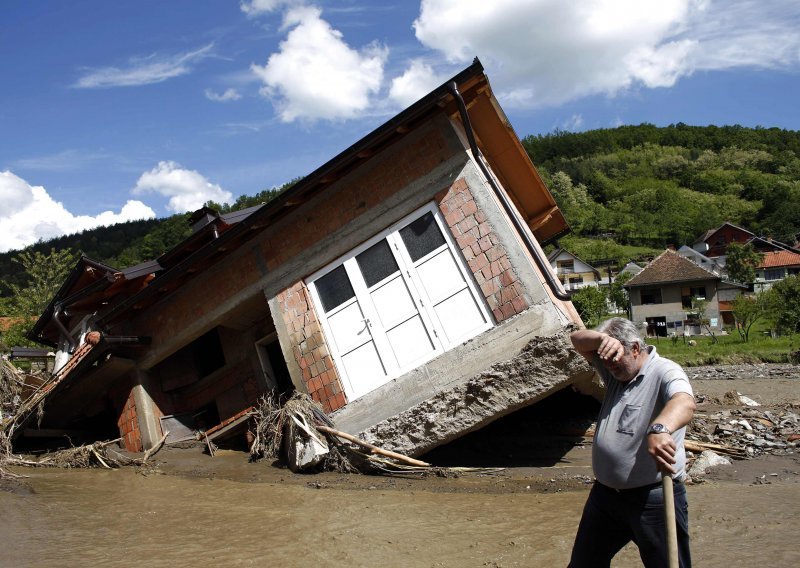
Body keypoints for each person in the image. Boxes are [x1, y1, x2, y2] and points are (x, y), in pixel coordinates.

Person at [568, 317, 695, 568]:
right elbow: (576, 341)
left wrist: (660, 428)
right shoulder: (615, 371)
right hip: (606, 498)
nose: (608, 366)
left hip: (653, 499)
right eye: (604, 359)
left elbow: (684, 402)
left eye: (613, 359)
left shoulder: (665, 371)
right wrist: (602, 340)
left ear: (635, 349)